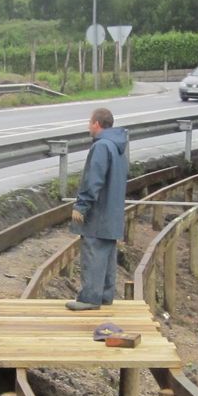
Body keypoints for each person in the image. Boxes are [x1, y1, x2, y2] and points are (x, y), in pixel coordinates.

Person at [65, 107, 128, 311]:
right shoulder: (119, 146)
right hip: (113, 211)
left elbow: (94, 179)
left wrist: (82, 205)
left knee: (92, 251)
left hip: (99, 212)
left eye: (89, 122)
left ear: (97, 124)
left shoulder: (101, 147)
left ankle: (90, 298)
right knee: (107, 253)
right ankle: (105, 295)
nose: (88, 126)